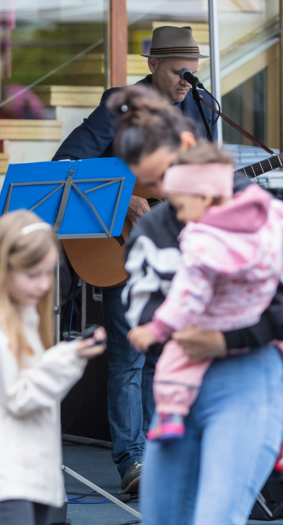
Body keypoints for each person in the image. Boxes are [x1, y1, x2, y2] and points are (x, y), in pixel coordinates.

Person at [107, 86, 283, 525]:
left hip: (249, 379)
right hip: (178, 389)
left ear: (187, 146)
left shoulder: (260, 210)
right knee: (162, 522)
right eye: (152, 182)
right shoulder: (151, 228)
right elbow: (141, 313)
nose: (165, 190)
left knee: (214, 522)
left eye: (169, 173)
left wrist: (224, 338)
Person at [52, 25, 218, 493]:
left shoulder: (202, 108)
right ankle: (132, 461)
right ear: (152, 66)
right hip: (120, 249)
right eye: (177, 70)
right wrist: (124, 199)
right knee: (129, 358)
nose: (187, 78)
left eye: (192, 70)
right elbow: (67, 161)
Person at [126, 145, 283, 441]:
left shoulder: (196, 238)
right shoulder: (267, 209)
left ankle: (170, 414)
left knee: (176, 362)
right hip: (255, 312)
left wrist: (159, 328)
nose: (175, 213)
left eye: (179, 205)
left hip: (224, 331)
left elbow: (186, 297)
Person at [0, 211, 106, 525]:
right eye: (33, 275)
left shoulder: (22, 316)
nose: (44, 285)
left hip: (33, 467)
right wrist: (68, 360)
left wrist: (68, 355)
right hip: (6, 474)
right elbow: (20, 396)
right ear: (2, 267)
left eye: (49, 274)